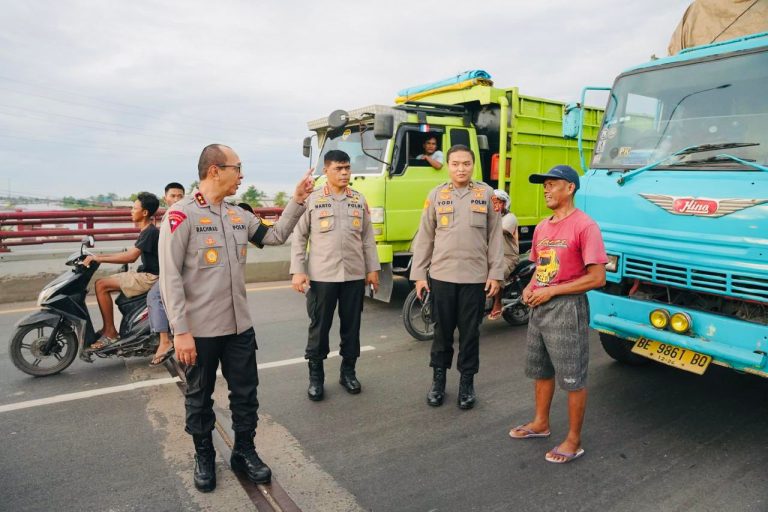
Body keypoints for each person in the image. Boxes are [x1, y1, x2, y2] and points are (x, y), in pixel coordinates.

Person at [159, 144, 313, 492]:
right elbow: (169, 279)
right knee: (199, 396)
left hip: (239, 326)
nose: (241, 176)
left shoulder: (236, 215)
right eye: (237, 168)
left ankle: (244, 451)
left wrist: (298, 200)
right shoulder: (180, 216)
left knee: (246, 395)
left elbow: (274, 236)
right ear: (215, 170)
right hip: (199, 331)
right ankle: (203, 456)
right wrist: (180, 332)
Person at [508, 165, 607, 465]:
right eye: (545, 186)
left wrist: (553, 291)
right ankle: (541, 423)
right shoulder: (543, 227)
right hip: (540, 306)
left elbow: (597, 277)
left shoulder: (585, 226)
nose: (547, 190)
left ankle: (573, 439)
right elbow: (540, 268)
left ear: (570, 188)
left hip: (567, 308)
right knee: (540, 370)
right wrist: (529, 287)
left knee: (572, 377)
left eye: (552, 185)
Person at [411, 144, 504, 409]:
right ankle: (438, 383)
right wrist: (419, 275)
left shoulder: (486, 194)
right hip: (442, 277)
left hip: (475, 278)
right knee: (442, 334)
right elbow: (425, 236)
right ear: (448, 165)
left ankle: (466, 385)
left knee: (470, 334)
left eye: (466, 163)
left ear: (473, 165)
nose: (460, 168)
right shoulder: (437, 195)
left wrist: (495, 274)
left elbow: (496, 237)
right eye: (455, 164)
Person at [290, 150, 380, 401]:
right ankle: (316, 379)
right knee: (319, 328)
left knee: (352, 328)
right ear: (326, 171)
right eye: (338, 169)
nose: (344, 173)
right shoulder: (313, 200)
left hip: (353, 275)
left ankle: (348, 373)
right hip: (322, 277)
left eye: (347, 168)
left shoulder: (358, 200)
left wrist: (372, 269)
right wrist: (298, 270)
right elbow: (299, 237)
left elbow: (367, 239)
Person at [84, 192, 160, 350]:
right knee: (102, 283)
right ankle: (107, 329)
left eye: (134, 208)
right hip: (144, 274)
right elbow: (127, 253)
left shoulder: (150, 232)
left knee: (101, 285)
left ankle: (110, 332)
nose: (131, 211)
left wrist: (99, 259)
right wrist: (98, 256)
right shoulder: (147, 230)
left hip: (150, 277)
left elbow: (130, 257)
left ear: (145, 212)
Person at [148, 182, 185, 366]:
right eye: (173, 196)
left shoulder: (180, 217)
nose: (177, 199)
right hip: (169, 269)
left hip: (179, 271)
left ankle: (164, 341)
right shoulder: (167, 218)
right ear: (166, 198)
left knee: (155, 295)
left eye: (180, 196)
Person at [488, 189, 519, 320]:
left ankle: (497, 303)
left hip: (507, 257)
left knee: (497, 273)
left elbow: (499, 230)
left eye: (499, 202)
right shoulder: (488, 218)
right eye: (494, 202)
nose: (496, 205)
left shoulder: (510, 218)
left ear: (505, 204)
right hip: (491, 255)